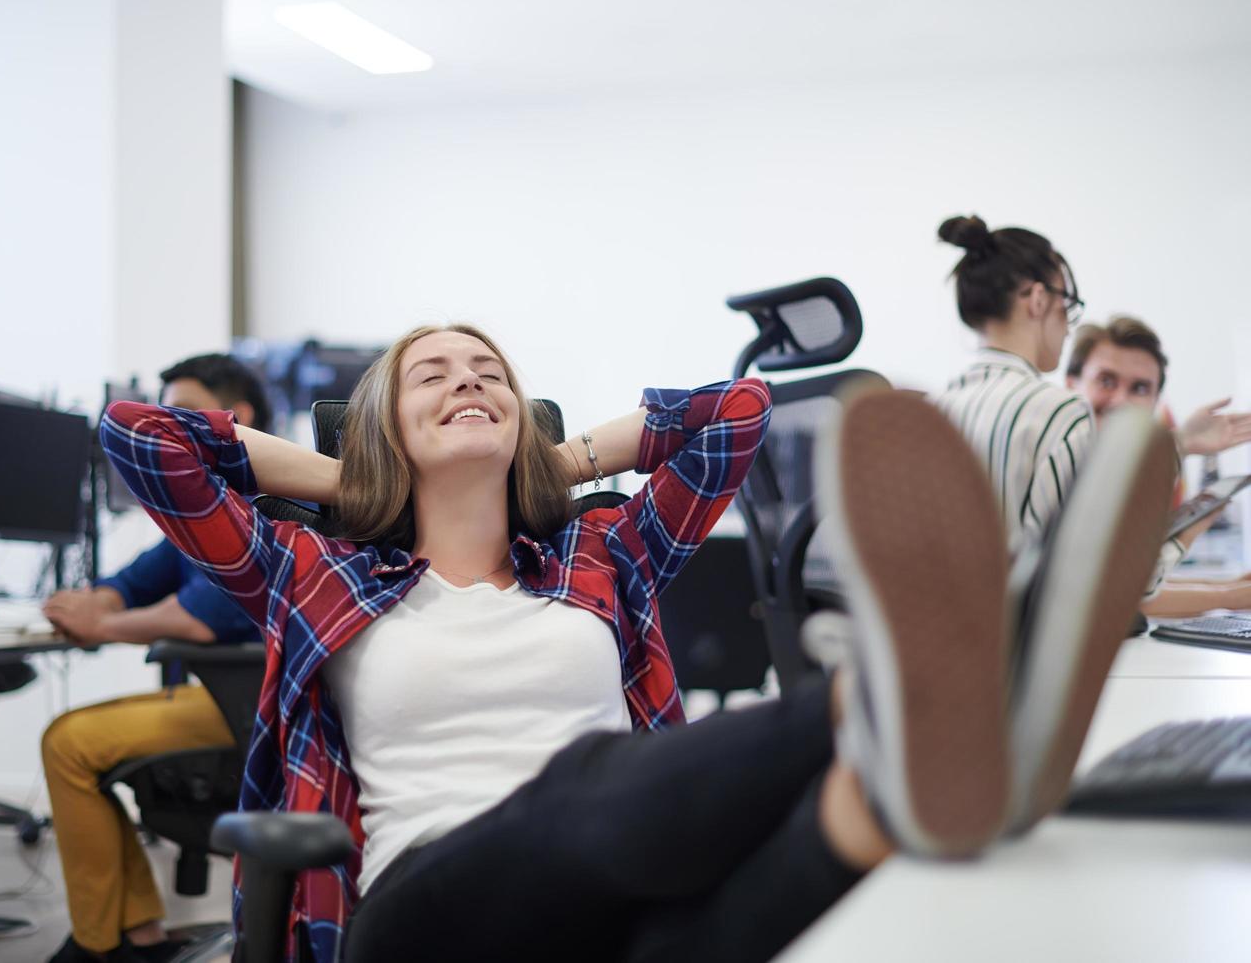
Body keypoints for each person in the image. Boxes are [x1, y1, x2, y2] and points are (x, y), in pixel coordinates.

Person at [99, 323, 1173, 963]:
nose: (469, 380)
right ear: (383, 425)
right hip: (424, 903)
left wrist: (560, 463)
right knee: (585, 777)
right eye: (431, 375)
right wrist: (351, 479)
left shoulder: (602, 550)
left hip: (613, 891)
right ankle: (921, 686)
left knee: (745, 902)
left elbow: (734, 414)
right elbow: (139, 437)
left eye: (489, 373)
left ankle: (896, 782)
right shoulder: (319, 567)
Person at [41, 353, 271, 963]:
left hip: (264, 709)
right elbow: (139, 580)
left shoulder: (268, 499)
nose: (165, 429)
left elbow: (195, 618)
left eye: (182, 414)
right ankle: (134, 936)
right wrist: (91, 603)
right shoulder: (202, 504)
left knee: (69, 744)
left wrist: (104, 623)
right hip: (225, 700)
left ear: (233, 418)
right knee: (73, 740)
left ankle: (101, 948)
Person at [931, 215, 1226, 594]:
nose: (1068, 327)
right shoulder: (1059, 411)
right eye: (1066, 305)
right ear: (1038, 300)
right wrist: (1188, 532)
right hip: (1020, 650)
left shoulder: (935, 407)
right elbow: (1101, 585)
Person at [1064, 316, 1251, 616]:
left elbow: (1123, 580)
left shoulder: (1118, 475)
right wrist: (1228, 595)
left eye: (1139, 389)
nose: (1121, 401)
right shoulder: (1053, 463)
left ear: (1155, 402)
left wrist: (1225, 585)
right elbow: (1109, 598)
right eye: (1106, 381)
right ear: (1071, 384)